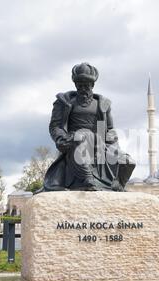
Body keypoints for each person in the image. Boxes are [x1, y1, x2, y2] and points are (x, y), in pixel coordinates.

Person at [42, 62, 136, 192]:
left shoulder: (102, 105)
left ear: (92, 85)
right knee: (80, 139)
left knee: (128, 162)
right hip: (75, 141)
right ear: (75, 84)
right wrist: (62, 138)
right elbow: (55, 126)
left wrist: (112, 142)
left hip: (99, 144)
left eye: (86, 85)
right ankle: (88, 179)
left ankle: (117, 186)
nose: (83, 88)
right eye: (80, 85)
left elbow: (109, 129)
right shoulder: (64, 102)